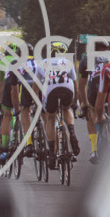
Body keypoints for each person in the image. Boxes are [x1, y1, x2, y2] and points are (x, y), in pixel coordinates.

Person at [39, 40, 80, 168]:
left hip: (51, 89)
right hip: (67, 88)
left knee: (50, 117)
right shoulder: (67, 62)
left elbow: (36, 86)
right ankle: (72, 133)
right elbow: (75, 83)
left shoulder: (43, 62)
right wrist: (75, 101)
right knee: (66, 108)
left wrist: (39, 104)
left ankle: (52, 152)